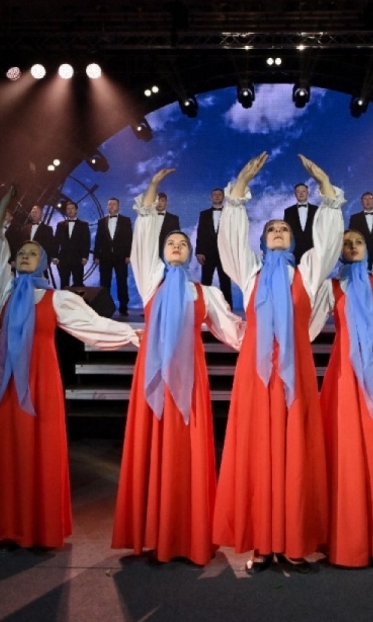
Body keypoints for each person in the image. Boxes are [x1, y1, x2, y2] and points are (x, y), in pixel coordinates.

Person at [0, 186, 139, 548]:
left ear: (44, 262)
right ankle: (9, 525)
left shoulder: (57, 299)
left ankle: (37, 528)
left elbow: (94, 325)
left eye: (33, 253)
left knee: (37, 449)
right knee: (8, 447)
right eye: (22, 253)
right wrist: (2, 209)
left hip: (40, 379)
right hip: (5, 380)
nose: (25, 256)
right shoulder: (5, 292)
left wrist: (134, 335)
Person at [213, 152, 343, 573]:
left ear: (293, 238)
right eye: (271, 229)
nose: (278, 233)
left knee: (295, 454)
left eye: (284, 229)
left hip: (294, 374)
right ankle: (262, 544)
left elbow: (329, 240)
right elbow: (230, 240)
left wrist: (325, 187)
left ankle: (293, 543)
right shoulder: (249, 273)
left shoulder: (307, 272)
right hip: (256, 375)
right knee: (259, 453)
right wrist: (238, 190)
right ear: (262, 239)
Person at [113, 169, 244, 565]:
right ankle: (153, 534)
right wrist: (151, 190)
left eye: (182, 243)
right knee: (153, 449)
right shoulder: (149, 281)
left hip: (189, 382)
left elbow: (235, 333)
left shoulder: (205, 293)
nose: (176, 246)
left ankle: (188, 536)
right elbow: (142, 239)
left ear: (191, 254)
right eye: (170, 242)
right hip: (153, 379)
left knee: (187, 453)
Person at [312, 150, 373, 566]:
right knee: (346, 449)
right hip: (343, 374)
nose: (352, 246)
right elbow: (305, 327)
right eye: (346, 242)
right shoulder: (329, 287)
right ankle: (346, 534)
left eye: (358, 242)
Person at [94, 197, 133, 316]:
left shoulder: (125, 220)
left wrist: (128, 255)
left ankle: (123, 306)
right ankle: (104, 307)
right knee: (105, 283)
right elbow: (98, 239)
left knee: (122, 282)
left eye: (114, 204)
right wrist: (96, 255)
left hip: (121, 256)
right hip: (105, 257)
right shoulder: (101, 221)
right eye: (109, 204)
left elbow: (129, 239)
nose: (111, 206)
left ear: (118, 206)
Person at [196, 188, 232, 306]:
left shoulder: (230, 213)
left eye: (219, 194)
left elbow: (233, 234)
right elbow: (200, 233)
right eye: (214, 194)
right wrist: (199, 252)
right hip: (207, 254)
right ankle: (204, 309)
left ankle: (228, 310)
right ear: (211, 197)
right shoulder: (204, 214)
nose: (217, 196)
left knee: (225, 283)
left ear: (223, 197)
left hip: (225, 254)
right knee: (206, 283)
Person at [12, 204, 58, 274]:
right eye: (32, 212)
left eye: (36, 212)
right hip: (25, 260)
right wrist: (14, 259)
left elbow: (50, 246)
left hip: (39, 261)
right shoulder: (25, 228)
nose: (34, 214)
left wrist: (48, 261)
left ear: (41, 214)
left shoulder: (47, 229)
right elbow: (19, 245)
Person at [55, 201, 91, 288]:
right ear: (66, 211)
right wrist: (55, 256)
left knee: (78, 283)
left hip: (78, 258)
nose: (70, 210)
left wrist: (85, 256)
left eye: (72, 208)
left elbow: (86, 241)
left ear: (76, 210)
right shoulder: (60, 225)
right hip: (63, 259)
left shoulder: (83, 225)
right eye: (68, 209)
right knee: (64, 283)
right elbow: (56, 241)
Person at [284, 183, 317, 265]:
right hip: (295, 252)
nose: (301, 193)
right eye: (298, 192)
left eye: (303, 191)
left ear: (308, 193)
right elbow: (286, 231)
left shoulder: (317, 210)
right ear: (295, 194)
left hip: (313, 250)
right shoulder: (288, 212)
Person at [347, 192, 373, 270]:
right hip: (361, 256)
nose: (368, 201)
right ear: (361, 202)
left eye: (370, 199)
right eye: (365, 199)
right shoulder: (354, 218)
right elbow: (351, 236)